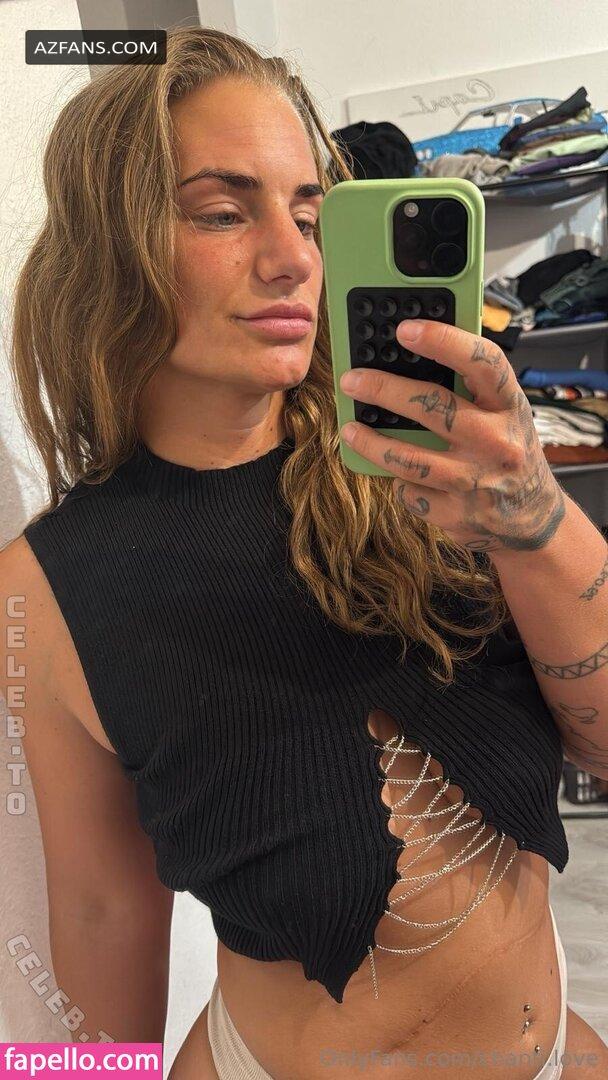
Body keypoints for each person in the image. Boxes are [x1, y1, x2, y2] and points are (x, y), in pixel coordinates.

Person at [2, 25, 607, 1080]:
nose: (292, 259)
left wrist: (538, 523)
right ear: (111, 247)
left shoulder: (445, 478)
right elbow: (100, 911)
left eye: (310, 215)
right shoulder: (46, 585)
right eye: (222, 212)